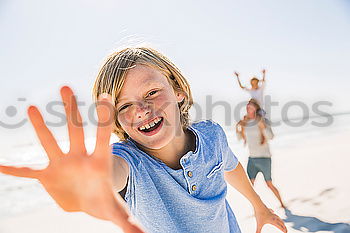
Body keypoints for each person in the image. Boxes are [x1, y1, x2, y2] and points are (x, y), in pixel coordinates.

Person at [0, 47, 287, 233]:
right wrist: (87, 183)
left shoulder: (211, 136)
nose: (139, 110)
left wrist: (258, 205)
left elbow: (230, 166)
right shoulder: (128, 163)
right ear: (115, 121)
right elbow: (109, 174)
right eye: (123, 106)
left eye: (151, 93)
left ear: (178, 91)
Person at [236, 99, 286, 209]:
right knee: (250, 185)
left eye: (250, 107)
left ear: (256, 109)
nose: (248, 109)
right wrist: (238, 128)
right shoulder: (246, 123)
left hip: (264, 158)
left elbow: (271, 137)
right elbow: (240, 138)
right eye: (247, 107)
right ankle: (257, 207)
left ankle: (282, 204)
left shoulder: (263, 121)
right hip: (252, 158)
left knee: (269, 184)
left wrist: (263, 127)